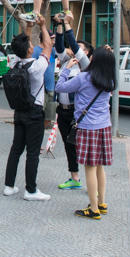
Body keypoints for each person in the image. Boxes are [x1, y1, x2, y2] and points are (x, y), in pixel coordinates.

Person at [55, 47, 116, 220]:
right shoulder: (109, 80)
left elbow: (60, 87)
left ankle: (94, 209)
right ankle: (102, 202)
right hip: (104, 126)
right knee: (99, 167)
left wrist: (65, 70)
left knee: (89, 168)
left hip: (88, 127)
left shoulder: (83, 78)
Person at [3, 15, 53, 201]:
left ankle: (9, 186)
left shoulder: (14, 63)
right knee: (33, 153)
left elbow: (22, 45)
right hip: (34, 114)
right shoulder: (37, 66)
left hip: (19, 112)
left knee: (16, 149)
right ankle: (30, 190)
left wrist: (29, 28)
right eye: (31, 44)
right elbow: (48, 46)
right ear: (30, 49)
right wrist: (43, 25)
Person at [53, 13, 91, 191]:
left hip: (77, 112)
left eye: (80, 48)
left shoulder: (84, 65)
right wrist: (59, 24)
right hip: (62, 110)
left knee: (79, 145)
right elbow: (60, 46)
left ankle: (92, 180)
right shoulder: (67, 61)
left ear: (86, 52)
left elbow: (74, 46)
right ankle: (74, 177)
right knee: (69, 145)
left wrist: (68, 24)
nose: (73, 50)